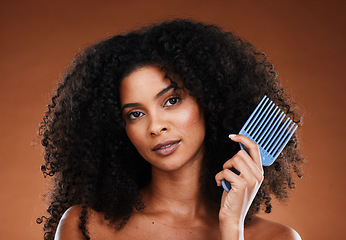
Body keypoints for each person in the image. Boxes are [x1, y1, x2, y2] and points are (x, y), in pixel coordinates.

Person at [37, 19, 303, 240]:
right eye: (136, 114)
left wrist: (231, 228)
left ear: (208, 100)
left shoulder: (277, 238)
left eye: (172, 101)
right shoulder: (86, 228)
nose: (155, 127)